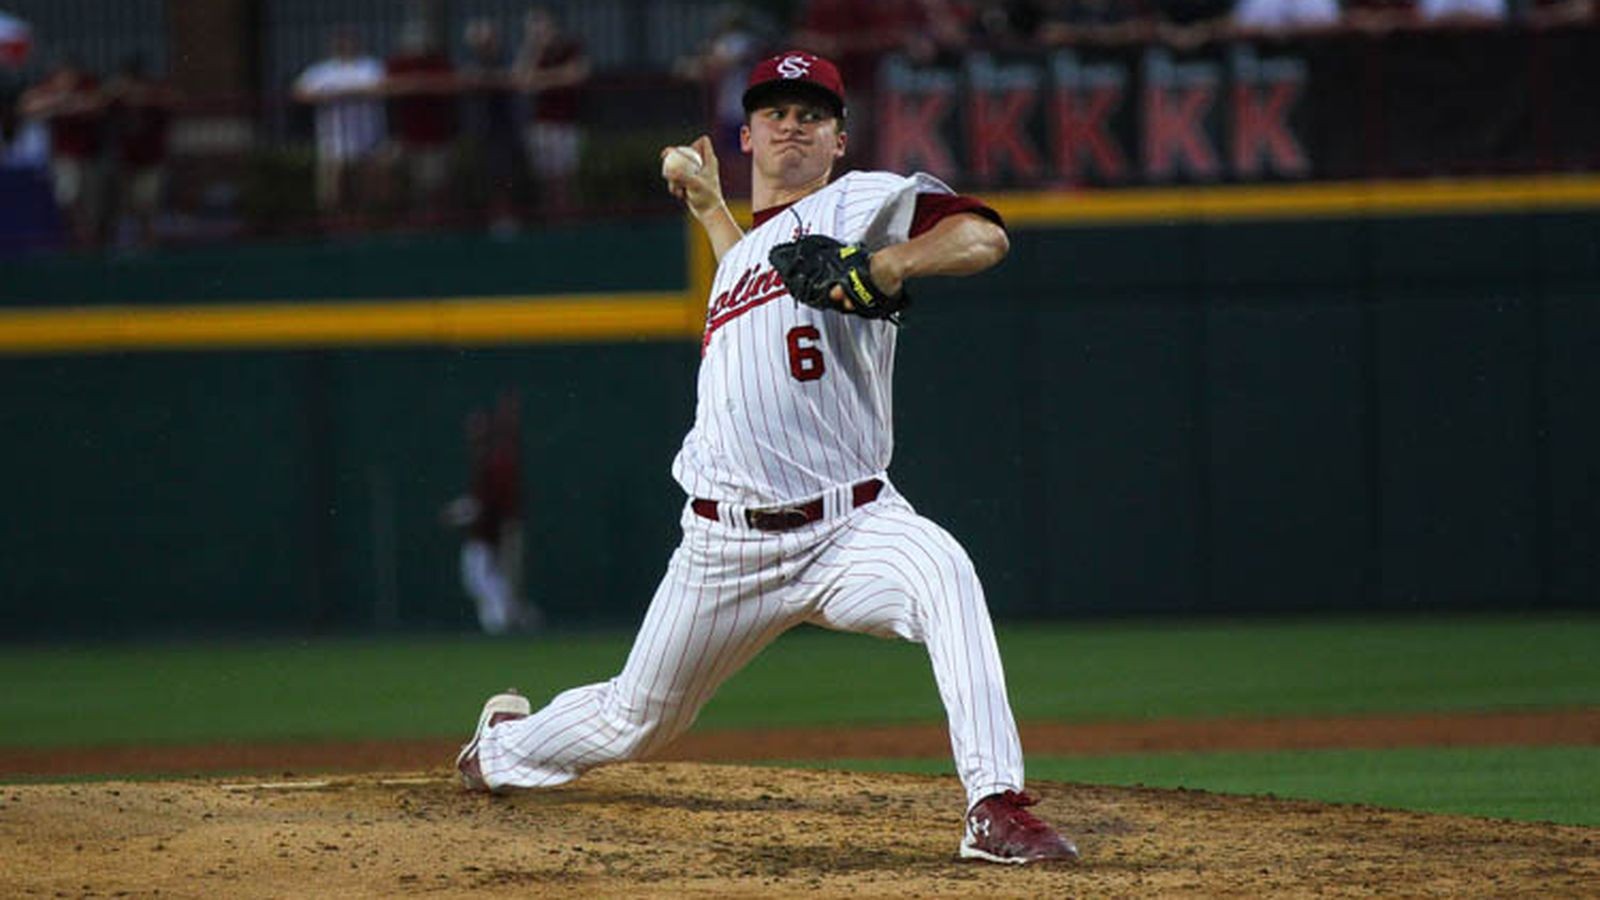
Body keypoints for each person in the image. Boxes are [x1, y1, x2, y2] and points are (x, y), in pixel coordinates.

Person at [455, 49, 1080, 866]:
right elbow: (755, 264)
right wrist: (712, 207)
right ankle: (498, 749)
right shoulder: (743, 258)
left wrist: (884, 265)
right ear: (745, 135)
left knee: (944, 572)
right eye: (776, 113)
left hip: (852, 524)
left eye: (813, 114)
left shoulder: (861, 203)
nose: (794, 125)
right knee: (634, 719)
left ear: (839, 141)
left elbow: (982, 237)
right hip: (723, 546)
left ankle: (993, 805)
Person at [442, 395, 541, 636]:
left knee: (487, 579)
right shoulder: (487, 459)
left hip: (494, 532)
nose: (472, 433)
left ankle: (505, 621)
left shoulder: (495, 461)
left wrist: (458, 514)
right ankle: (510, 618)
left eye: (477, 428)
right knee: (483, 579)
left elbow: (486, 504)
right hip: (489, 532)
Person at [292, 28, 385, 222]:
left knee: (367, 187)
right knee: (332, 190)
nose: (345, 46)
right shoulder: (321, 71)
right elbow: (299, 93)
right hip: (332, 141)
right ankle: (333, 225)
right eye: (341, 42)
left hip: (368, 140)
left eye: (349, 41)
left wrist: (352, 94)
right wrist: (330, 96)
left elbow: (385, 88)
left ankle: (367, 223)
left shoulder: (370, 66)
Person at [17, 58, 106, 247]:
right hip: (64, 158)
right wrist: (60, 101)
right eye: (62, 77)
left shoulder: (88, 87)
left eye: (70, 76)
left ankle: (90, 240)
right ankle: (78, 238)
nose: (66, 80)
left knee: (93, 203)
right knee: (68, 198)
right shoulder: (50, 91)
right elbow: (27, 105)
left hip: (91, 157)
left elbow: (97, 105)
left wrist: (70, 103)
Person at [512, 6, 590, 215]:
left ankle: (568, 219)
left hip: (566, 124)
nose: (540, 33)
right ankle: (551, 218)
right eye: (534, 30)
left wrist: (543, 79)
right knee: (547, 180)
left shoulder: (569, 48)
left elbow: (576, 74)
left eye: (543, 27)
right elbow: (522, 80)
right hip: (541, 125)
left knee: (567, 178)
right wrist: (534, 51)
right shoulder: (533, 54)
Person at [383, 20, 459, 221]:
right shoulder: (397, 63)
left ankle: (437, 220)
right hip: (406, 136)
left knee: (435, 183)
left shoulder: (438, 62)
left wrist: (420, 84)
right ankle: (410, 221)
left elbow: (450, 85)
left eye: (420, 41)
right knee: (407, 184)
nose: (416, 45)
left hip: (436, 136)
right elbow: (387, 87)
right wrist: (415, 85)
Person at [103, 54, 178, 249]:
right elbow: (97, 103)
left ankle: (149, 240)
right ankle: (128, 242)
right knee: (126, 204)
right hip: (126, 160)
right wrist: (118, 92)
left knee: (148, 202)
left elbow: (173, 100)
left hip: (151, 159)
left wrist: (142, 94)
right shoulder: (116, 96)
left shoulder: (155, 93)